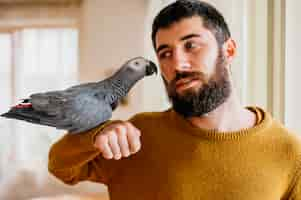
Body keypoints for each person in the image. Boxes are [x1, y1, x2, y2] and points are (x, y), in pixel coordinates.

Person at [48, 0, 301, 199]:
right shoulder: (136, 135)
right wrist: (95, 134)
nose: (177, 64)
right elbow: (60, 166)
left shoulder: (290, 153)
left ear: (229, 50)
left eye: (191, 46)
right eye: (165, 53)